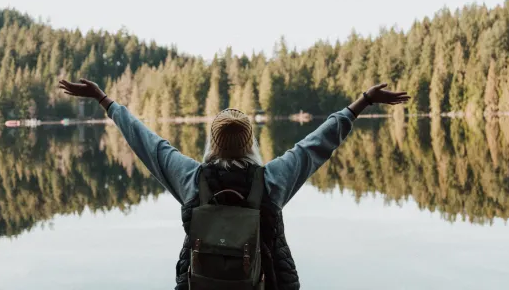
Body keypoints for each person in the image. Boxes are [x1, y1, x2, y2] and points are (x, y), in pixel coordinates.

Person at [59, 78, 410, 289]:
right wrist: (363, 100)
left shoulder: (192, 180)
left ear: (212, 144)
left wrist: (104, 100)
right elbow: (319, 143)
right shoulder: (271, 180)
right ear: (251, 144)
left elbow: (145, 141)